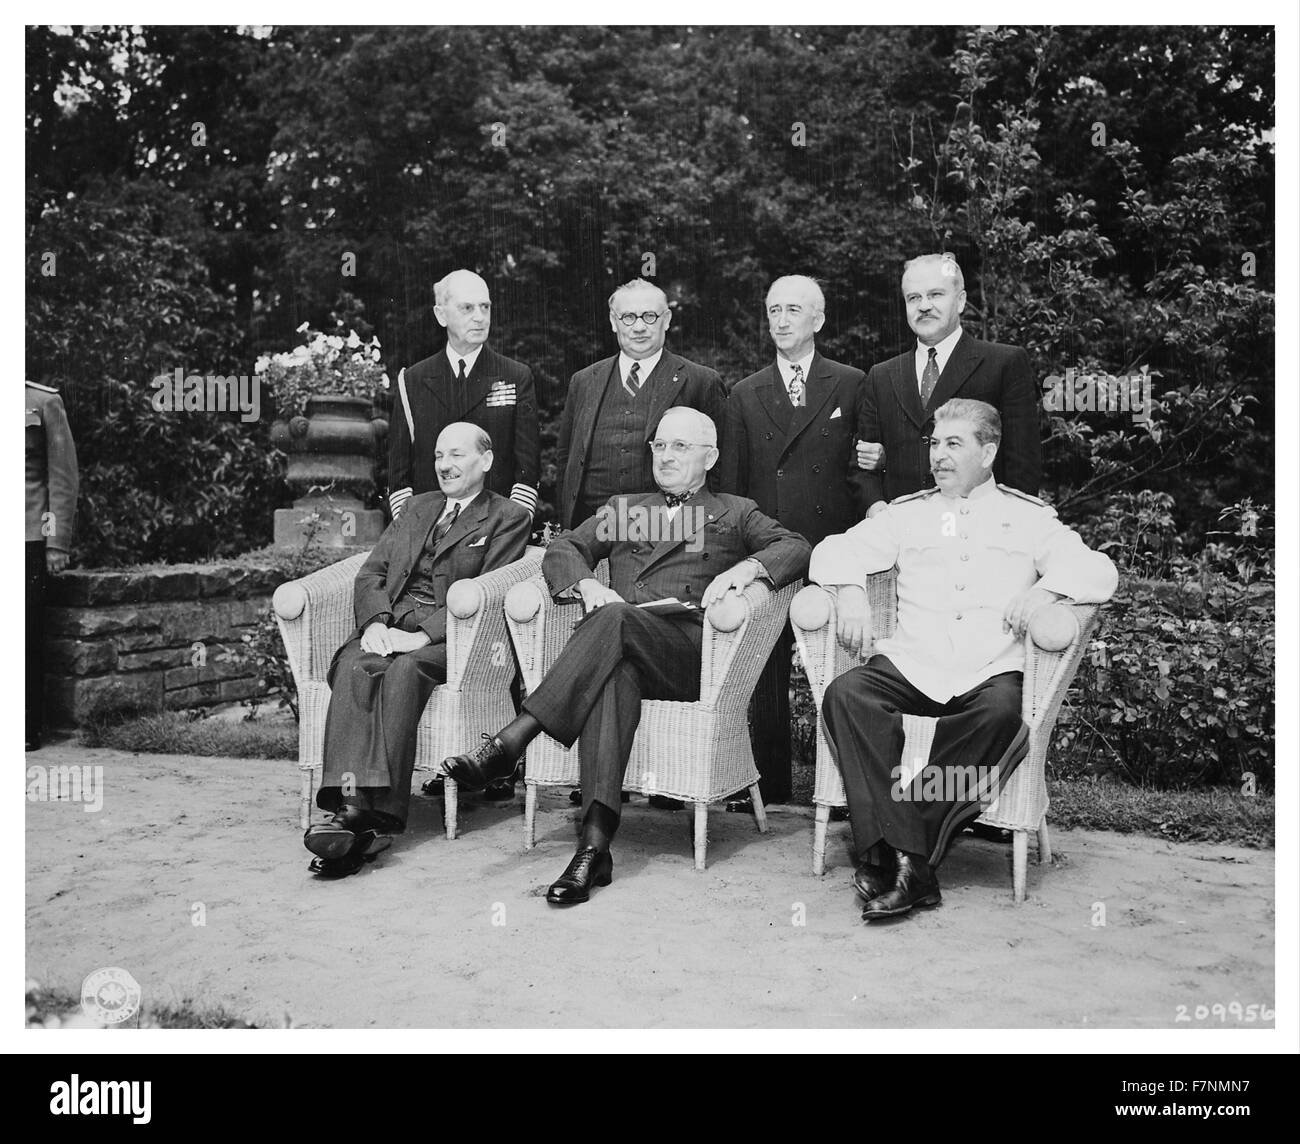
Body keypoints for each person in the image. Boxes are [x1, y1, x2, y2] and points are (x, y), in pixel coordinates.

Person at [441, 408, 810, 905]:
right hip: (620, 647)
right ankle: (593, 849)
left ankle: (513, 740)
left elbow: (796, 546)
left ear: (711, 456)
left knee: (614, 620)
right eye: (659, 446)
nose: (666, 456)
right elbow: (564, 547)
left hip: (691, 657)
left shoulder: (735, 510)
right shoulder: (629, 507)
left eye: (681, 446)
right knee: (613, 674)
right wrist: (590, 584)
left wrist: (747, 568)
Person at [810, 398, 1116, 920]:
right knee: (846, 694)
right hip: (914, 663)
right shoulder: (909, 514)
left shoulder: (1029, 518)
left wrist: (1048, 594)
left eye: (954, 444)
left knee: (1001, 715)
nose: (939, 456)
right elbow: (832, 550)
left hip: (988, 668)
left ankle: (892, 851)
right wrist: (851, 590)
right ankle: (912, 863)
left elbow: (1099, 571)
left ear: (989, 451)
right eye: (934, 444)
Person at [304, 422, 531, 878]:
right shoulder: (415, 508)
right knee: (354, 665)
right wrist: (375, 624)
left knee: (406, 671)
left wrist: (423, 636)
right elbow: (371, 574)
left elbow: (488, 591)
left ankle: (373, 817)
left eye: (457, 456)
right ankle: (352, 812)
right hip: (392, 622)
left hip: (459, 639)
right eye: (438, 456)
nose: (445, 465)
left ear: (485, 460)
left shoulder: (508, 517)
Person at [718, 274, 870, 807]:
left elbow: (861, 471)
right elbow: (734, 487)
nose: (781, 320)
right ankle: (768, 785)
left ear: (818, 320)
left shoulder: (851, 383)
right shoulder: (743, 393)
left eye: (793, 310)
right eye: (773, 311)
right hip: (772, 549)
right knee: (763, 664)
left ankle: (847, 788)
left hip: (833, 548)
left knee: (843, 666)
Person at [854, 254, 1041, 515]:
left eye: (936, 294)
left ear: (961, 301)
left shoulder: (1003, 363)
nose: (924, 306)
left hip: (979, 531)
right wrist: (877, 509)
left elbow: (1023, 464)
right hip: (902, 534)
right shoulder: (881, 375)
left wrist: (1004, 526)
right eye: (914, 298)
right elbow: (862, 465)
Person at [555, 279, 726, 531]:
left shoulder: (701, 381)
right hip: (590, 528)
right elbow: (565, 458)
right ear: (613, 322)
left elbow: (722, 468)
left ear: (666, 320)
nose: (638, 327)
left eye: (649, 316)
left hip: (668, 532)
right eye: (628, 317)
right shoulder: (583, 381)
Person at [388, 269, 539, 521]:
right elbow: (398, 476)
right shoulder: (412, 381)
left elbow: (527, 472)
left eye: (485, 307)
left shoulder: (516, 376)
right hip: (426, 530)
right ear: (441, 315)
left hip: (494, 533)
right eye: (467, 308)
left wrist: (508, 531)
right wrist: (410, 531)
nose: (480, 317)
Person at [26, 379, 79, 752]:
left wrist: (55, 542)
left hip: (26, 533)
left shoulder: (43, 402)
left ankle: (25, 727)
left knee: (24, 635)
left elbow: (61, 477)